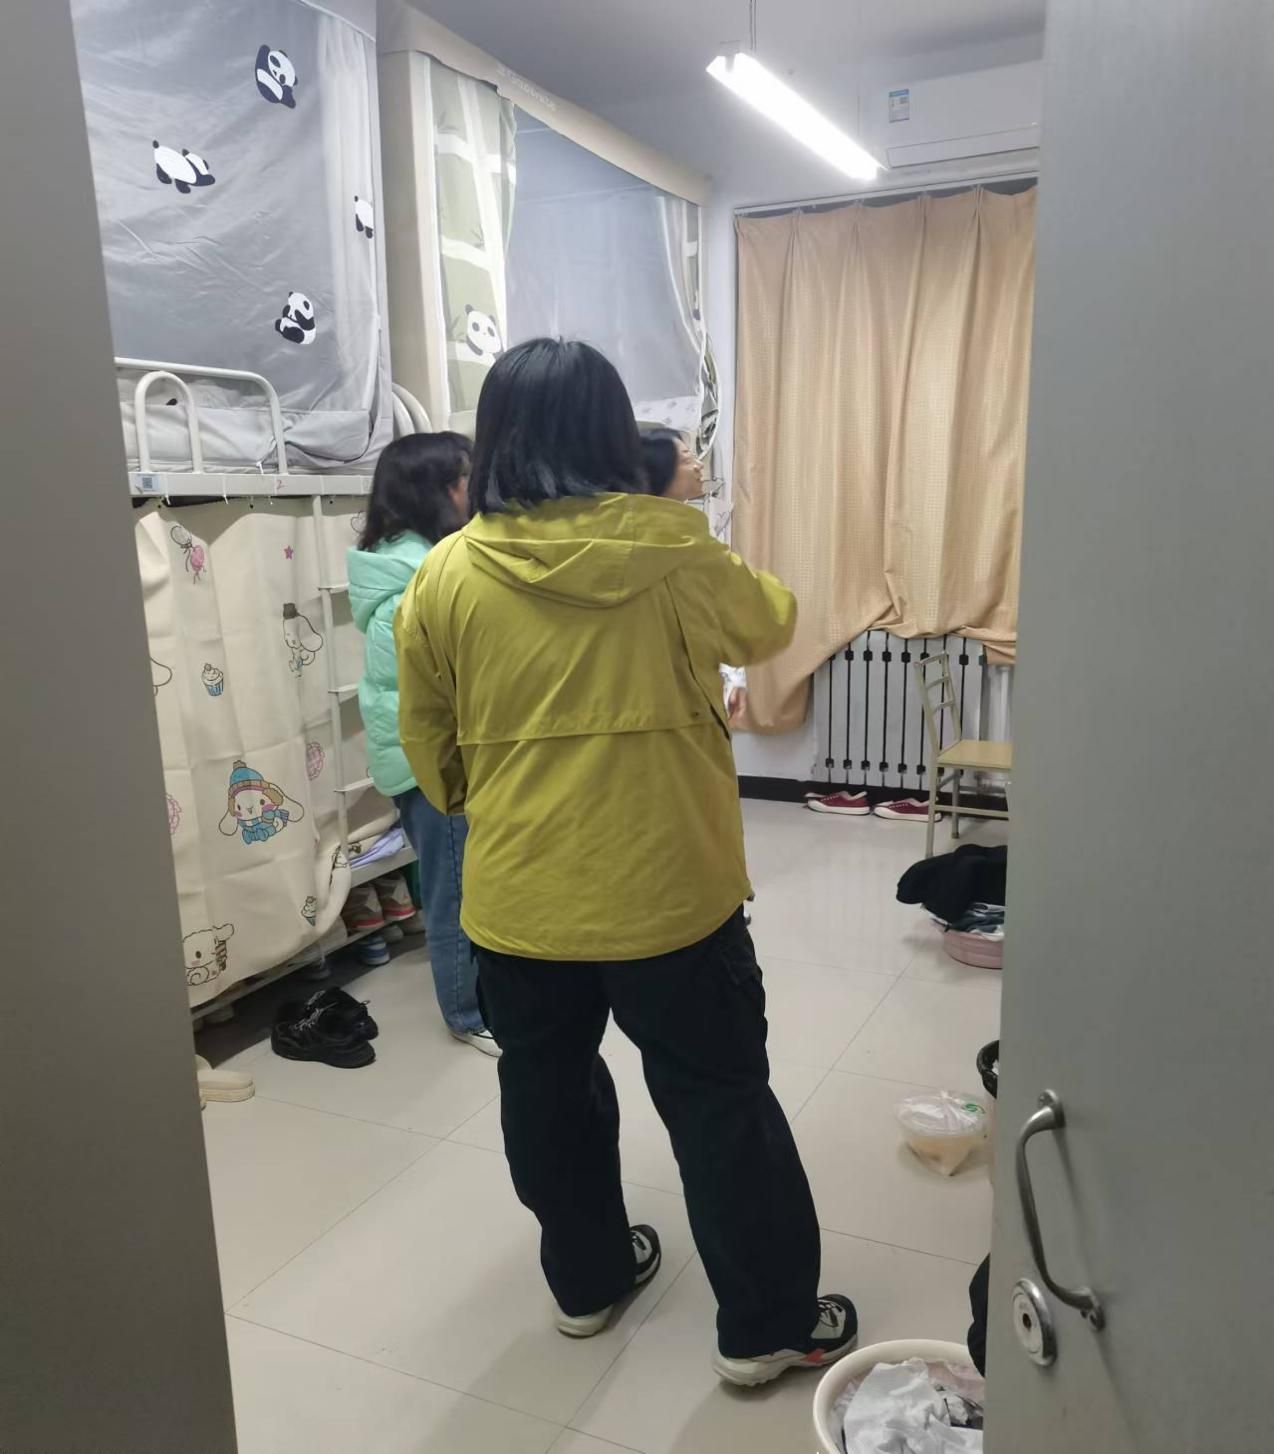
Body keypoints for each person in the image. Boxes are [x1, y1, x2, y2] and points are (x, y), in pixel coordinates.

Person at [395, 339, 857, 1385]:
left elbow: (431, 748)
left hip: (518, 901)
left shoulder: (444, 573)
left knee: (547, 1093)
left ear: (494, 438)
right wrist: (680, 515)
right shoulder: (674, 550)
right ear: (614, 435)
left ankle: (586, 1282)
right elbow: (771, 621)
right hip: (672, 894)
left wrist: (496, 805)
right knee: (719, 1099)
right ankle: (766, 1327)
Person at [347, 432, 498, 1055]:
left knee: (466, 884)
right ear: (434, 492)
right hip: (428, 764)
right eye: (466, 478)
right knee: (454, 891)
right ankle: (466, 1014)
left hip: (437, 756)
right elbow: (427, 690)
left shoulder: (421, 564)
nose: (476, 489)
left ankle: (481, 996)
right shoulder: (409, 583)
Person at [640, 427, 748, 726]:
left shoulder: (698, 531)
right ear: (659, 470)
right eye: (687, 459)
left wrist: (734, 676)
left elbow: (720, 608)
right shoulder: (645, 537)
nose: (699, 465)